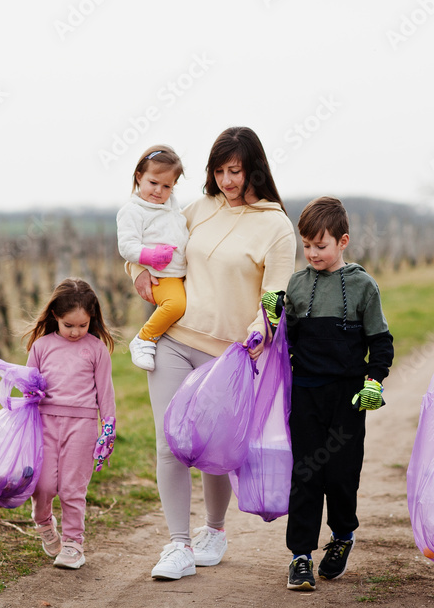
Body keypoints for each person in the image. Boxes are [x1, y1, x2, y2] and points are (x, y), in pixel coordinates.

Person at [129, 126, 297, 580]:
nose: (226, 181)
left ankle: (215, 531)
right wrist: (135, 269)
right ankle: (178, 545)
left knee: (211, 447)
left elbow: (275, 295)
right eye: (219, 171)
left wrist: (259, 333)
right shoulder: (199, 209)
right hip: (173, 341)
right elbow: (152, 236)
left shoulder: (276, 226)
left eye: (235, 171)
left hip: (227, 356)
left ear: (254, 169)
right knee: (170, 442)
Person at [261, 196, 394, 591]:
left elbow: (381, 342)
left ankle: (342, 536)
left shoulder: (363, 286)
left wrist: (374, 382)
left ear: (343, 241)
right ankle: (300, 556)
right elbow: (286, 342)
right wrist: (275, 316)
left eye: (320, 245)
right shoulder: (297, 284)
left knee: (340, 475)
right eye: (306, 245)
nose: (312, 253)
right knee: (305, 474)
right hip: (305, 395)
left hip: (348, 398)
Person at [22, 278, 117, 570]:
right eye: (68, 325)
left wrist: (108, 428)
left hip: (83, 426)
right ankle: (43, 523)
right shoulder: (41, 347)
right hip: (44, 423)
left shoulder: (97, 349)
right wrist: (28, 398)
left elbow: (106, 391)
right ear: (55, 316)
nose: (76, 332)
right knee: (43, 485)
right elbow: (28, 387)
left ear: (92, 319)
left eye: (83, 325)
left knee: (72, 488)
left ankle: (74, 544)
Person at [116, 146, 189, 371]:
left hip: (179, 273)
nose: (159, 191)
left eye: (167, 186)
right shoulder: (133, 211)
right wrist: (150, 256)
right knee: (176, 305)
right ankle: (144, 339)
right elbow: (126, 246)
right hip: (161, 276)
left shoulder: (171, 206)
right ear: (139, 177)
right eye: (153, 182)